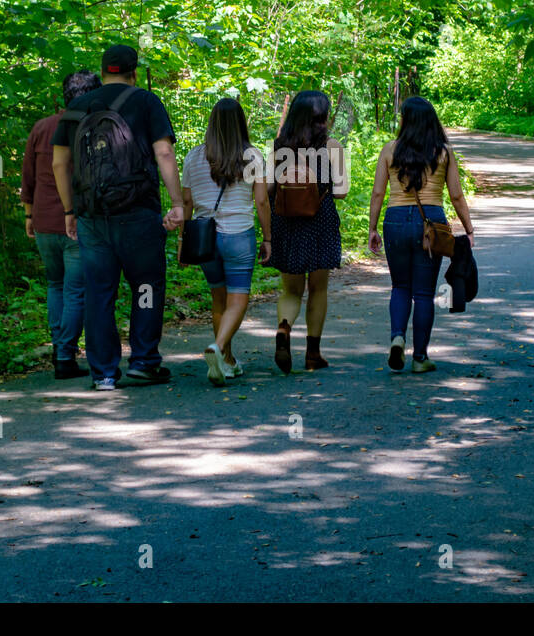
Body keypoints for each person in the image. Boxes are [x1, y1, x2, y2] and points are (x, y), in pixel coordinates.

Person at [50, 44, 186, 391]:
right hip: (138, 212)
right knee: (144, 286)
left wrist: (69, 210)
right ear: (134, 72)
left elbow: (59, 164)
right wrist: (177, 202)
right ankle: (143, 361)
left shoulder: (76, 107)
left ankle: (104, 373)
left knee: (99, 293)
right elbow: (164, 152)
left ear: (103, 70)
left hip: (93, 216)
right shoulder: (146, 101)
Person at [368, 96, 475, 373]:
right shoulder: (443, 152)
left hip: (395, 221)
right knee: (424, 293)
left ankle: (397, 338)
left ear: (405, 120)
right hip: (432, 224)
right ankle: (420, 358)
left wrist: (372, 228)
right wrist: (469, 228)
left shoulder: (390, 149)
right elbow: (456, 195)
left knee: (400, 287)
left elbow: (378, 192)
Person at [180, 98, 272, 386]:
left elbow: (186, 202)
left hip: (205, 238)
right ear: (241, 124)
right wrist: (268, 237)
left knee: (218, 298)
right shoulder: (252, 156)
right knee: (238, 298)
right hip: (238, 235)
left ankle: (228, 362)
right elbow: (261, 200)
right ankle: (219, 348)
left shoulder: (194, 157)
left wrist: (183, 242)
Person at [22, 70, 99, 379]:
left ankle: (59, 348)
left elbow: (28, 176)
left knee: (56, 285)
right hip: (77, 221)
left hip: (43, 220)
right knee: (76, 291)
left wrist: (28, 215)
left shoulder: (41, 127)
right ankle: (65, 356)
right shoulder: (93, 127)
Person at [266, 90, 349, 373]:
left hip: (286, 221)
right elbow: (342, 192)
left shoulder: (279, 147)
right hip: (320, 221)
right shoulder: (331, 146)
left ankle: (283, 329)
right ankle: (313, 354)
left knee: (290, 290)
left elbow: (267, 189)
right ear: (322, 117)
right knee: (318, 288)